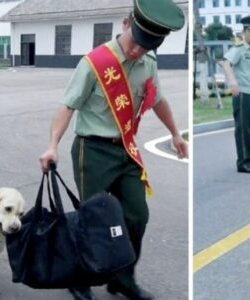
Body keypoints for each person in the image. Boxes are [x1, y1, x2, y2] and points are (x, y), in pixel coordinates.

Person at [38, 1, 187, 299]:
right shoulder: (95, 62)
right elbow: (68, 105)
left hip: (125, 150)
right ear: (125, 23)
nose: (136, 51)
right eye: (136, 42)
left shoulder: (148, 64)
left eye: (145, 47)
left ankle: (122, 278)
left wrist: (175, 133)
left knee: (136, 216)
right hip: (92, 150)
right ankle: (79, 278)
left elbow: (158, 100)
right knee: (92, 217)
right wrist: (52, 145)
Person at [220, 15, 250, 174]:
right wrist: (233, 82)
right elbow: (226, 63)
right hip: (242, 94)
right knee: (243, 129)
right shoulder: (239, 49)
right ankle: (243, 162)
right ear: (244, 32)